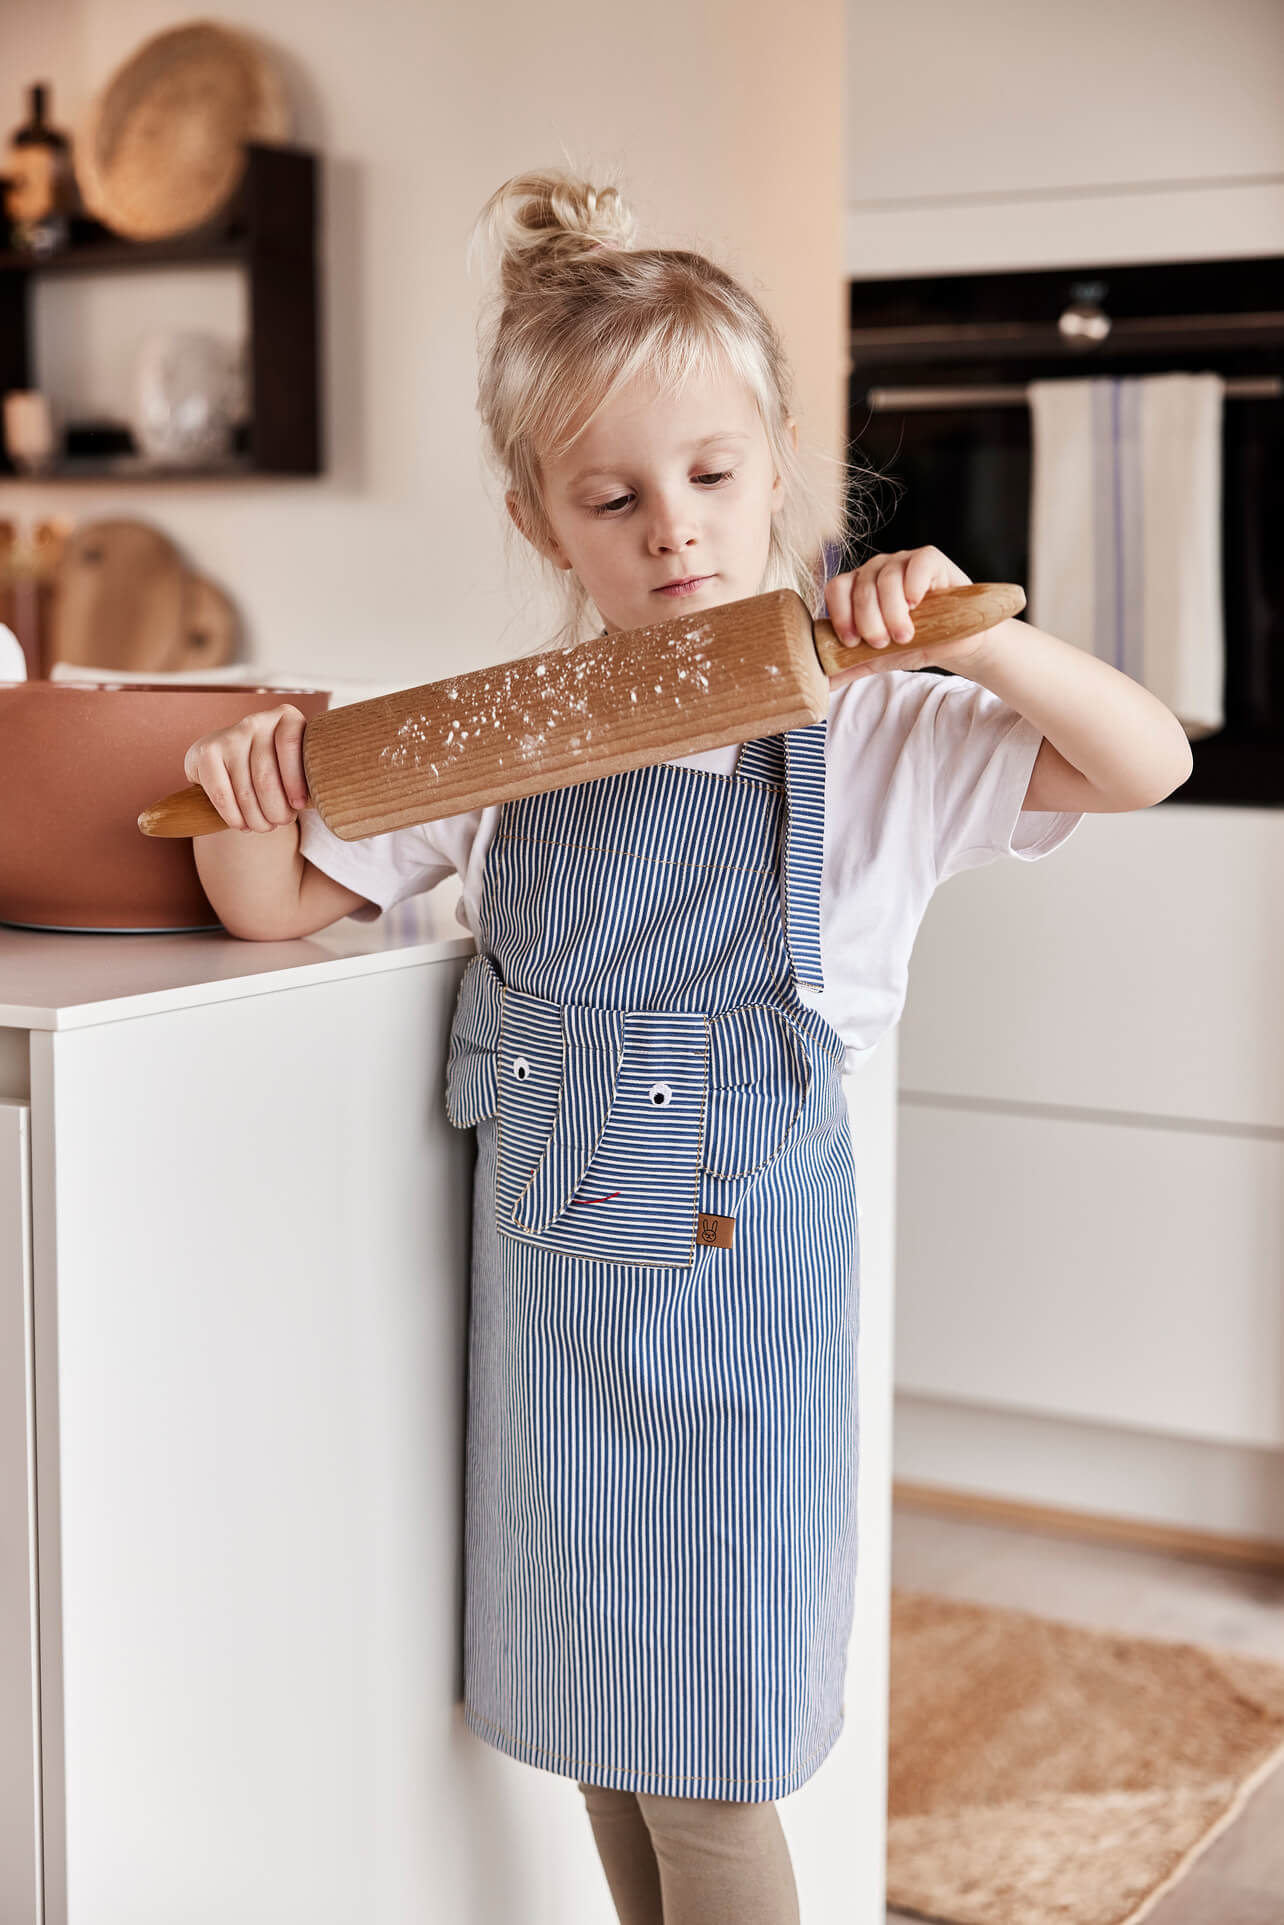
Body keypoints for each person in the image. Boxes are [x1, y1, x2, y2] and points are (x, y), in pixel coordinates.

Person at [186, 169, 1193, 1925]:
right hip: (560, 1353)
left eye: (715, 477)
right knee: (601, 1738)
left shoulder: (880, 735)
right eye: (613, 495)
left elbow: (1143, 761)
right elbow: (272, 904)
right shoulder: (513, 735)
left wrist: (991, 629)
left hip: (739, 1362)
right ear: (540, 519)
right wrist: (237, 794)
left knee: (710, 1772)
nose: (674, 531)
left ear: (783, 459)